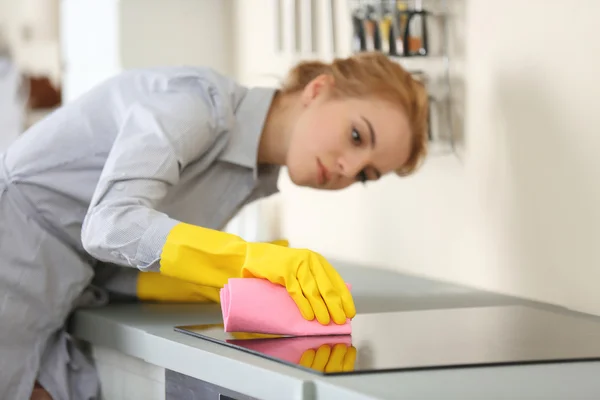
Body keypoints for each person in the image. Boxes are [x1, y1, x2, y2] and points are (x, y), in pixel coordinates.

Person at [0, 51, 429, 399]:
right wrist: (241, 259)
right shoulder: (198, 104)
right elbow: (109, 225)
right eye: (357, 136)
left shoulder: (250, 177)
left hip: (55, 298)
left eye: (365, 174)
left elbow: (108, 259)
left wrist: (211, 283)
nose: (347, 168)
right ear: (319, 90)